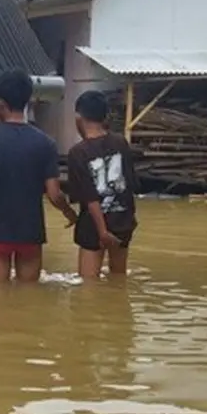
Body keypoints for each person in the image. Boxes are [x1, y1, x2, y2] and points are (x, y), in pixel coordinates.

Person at [0, 70, 77, 283]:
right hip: (31, 234)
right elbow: (54, 194)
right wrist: (70, 214)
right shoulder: (45, 143)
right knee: (28, 298)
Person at [66, 90, 139, 280]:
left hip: (94, 227)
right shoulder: (120, 142)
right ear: (105, 116)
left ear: (78, 118)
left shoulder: (77, 153)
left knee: (88, 286)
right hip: (122, 221)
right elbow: (129, 184)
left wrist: (102, 231)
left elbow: (89, 197)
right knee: (118, 279)